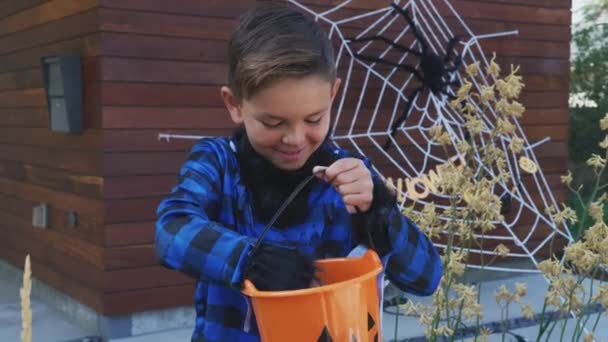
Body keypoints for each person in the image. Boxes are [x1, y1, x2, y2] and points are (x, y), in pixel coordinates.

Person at [155, 3, 442, 341]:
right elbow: (171, 230)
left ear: (333, 95)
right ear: (235, 104)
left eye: (313, 119)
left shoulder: (349, 176)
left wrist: (379, 211)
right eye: (272, 122)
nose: (294, 139)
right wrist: (250, 260)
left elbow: (426, 278)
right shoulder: (219, 163)